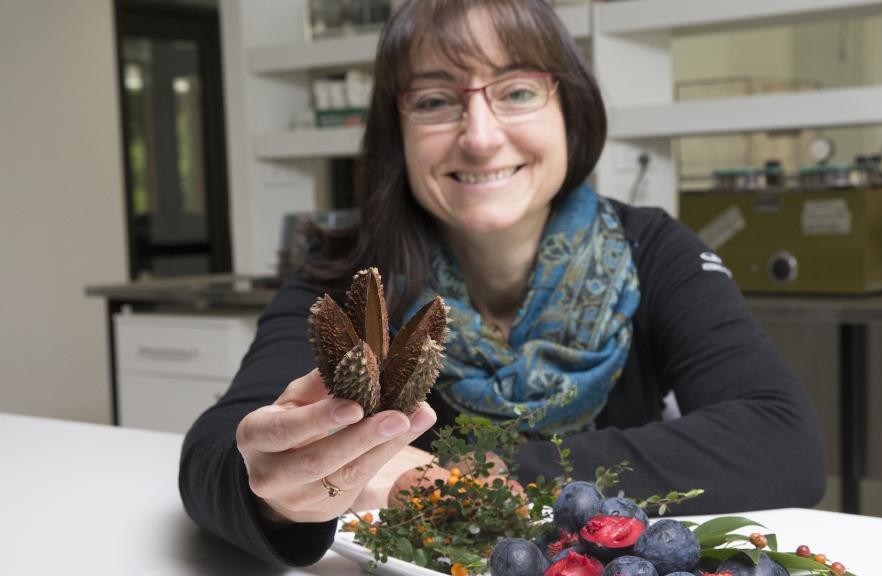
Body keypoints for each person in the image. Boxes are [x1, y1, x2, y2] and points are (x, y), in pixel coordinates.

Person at [179, 0, 826, 567]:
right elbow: (219, 452)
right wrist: (277, 489)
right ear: (394, 133)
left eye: (516, 91)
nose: (481, 138)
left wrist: (452, 480)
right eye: (435, 101)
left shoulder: (652, 249)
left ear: (569, 109)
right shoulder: (351, 277)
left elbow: (780, 441)